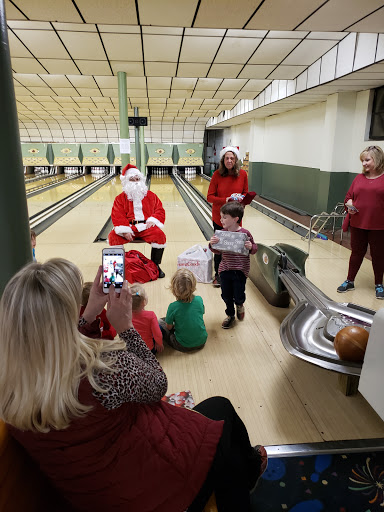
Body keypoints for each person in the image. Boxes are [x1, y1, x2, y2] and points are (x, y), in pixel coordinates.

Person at [0, 259, 267, 512]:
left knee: (224, 446)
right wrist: (126, 327)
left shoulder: (12, 387)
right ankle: (251, 468)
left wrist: (91, 313)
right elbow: (157, 384)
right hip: (155, 495)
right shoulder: (103, 369)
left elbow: (58, 351)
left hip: (97, 497)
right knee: (223, 413)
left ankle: (246, 470)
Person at [337, 145, 384, 299]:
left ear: (377, 160)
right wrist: (350, 205)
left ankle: (379, 284)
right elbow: (349, 196)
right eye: (362, 160)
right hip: (358, 223)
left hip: (379, 225)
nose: (364, 163)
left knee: (378, 255)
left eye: (367, 160)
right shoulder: (359, 178)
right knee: (356, 253)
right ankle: (349, 280)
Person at [108, 164, 166, 278]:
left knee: (160, 235)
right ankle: (116, 270)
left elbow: (160, 210)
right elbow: (117, 215)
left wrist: (153, 219)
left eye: (137, 179)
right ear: (126, 182)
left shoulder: (151, 196)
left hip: (146, 227)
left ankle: (155, 266)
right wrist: (125, 230)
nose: (135, 181)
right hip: (129, 227)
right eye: (132, 179)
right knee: (113, 236)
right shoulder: (120, 198)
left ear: (141, 179)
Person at [209, 202, 258, 329]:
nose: (221, 220)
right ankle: (230, 315)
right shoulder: (220, 233)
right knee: (226, 294)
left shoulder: (245, 233)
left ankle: (240, 304)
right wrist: (212, 244)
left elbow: (254, 249)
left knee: (238, 294)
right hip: (225, 269)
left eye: (224, 217)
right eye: (221, 217)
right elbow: (217, 251)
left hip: (240, 270)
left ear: (235, 219)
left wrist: (250, 246)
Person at [207, 146, 249, 288]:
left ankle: (235, 272)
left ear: (236, 160)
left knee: (235, 246)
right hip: (221, 218)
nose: (229, 160)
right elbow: (209, 197)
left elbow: (245, 193)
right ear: (223, 160)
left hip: (236, 218)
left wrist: (243, 201)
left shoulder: (243, 174)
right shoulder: (217, 175)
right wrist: (225, 200)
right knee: (220, 247)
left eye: (232, 158)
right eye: (227, 158)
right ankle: (218, 275)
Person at [159, 268, 208, 352]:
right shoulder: (199, 299)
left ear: (174, 289)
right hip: (202, 341)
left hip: (182, 345)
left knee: (160, 322)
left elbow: (169, 327)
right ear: (193, 286)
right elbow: (202, 312)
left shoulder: (173, 306)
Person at [130, 283, 164, 354]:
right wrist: (159, 344)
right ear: (144, 302)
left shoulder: (125, 316)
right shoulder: (150, 315)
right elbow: (158, 334)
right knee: (160, 326)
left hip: (133, 351)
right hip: (149, 350)